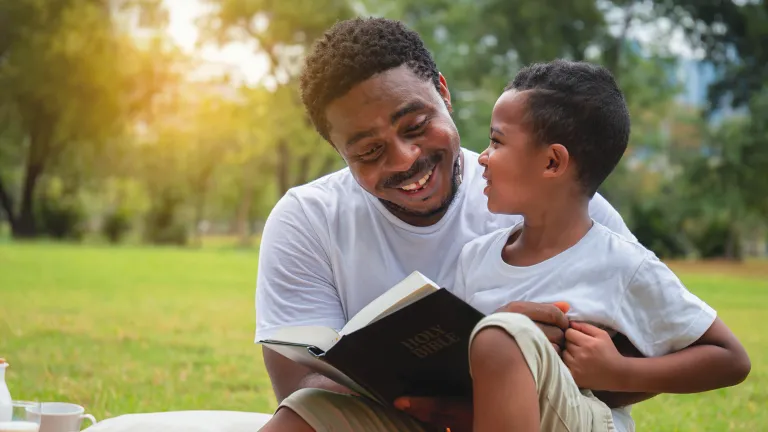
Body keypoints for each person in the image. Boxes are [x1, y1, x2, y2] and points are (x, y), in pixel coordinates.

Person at [257, 17, 645, 432]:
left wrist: (517, 361)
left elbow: (652, 356)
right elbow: (302, 387)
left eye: (417, 126)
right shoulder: (307, 218)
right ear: (338, 149)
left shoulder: (558, 198)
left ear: (443, 91)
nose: (405, 159)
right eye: (369, 151)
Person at [450, 59, 751, 432]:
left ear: (552, 161)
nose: (482, 157)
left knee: (499, 339)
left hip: (583, 419)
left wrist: (618, 371)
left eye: (496, 141)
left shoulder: (622, 264)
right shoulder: (473, 259)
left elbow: (730, 359)